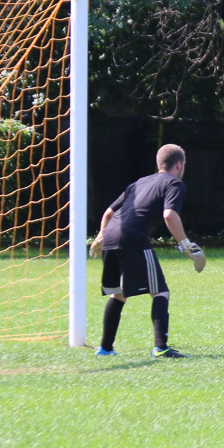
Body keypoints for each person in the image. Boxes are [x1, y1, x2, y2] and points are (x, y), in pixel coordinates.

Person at [90, 144, 204, 357]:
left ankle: (105, 348)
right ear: (179, 165)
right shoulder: (174, 183)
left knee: (118, 294)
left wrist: (99, 238)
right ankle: (161, 348)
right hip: (132, 238)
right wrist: (186, 244)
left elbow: (108, 213)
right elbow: (169, 215)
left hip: (110, 236)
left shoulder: (139, 182)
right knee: (160, 291)